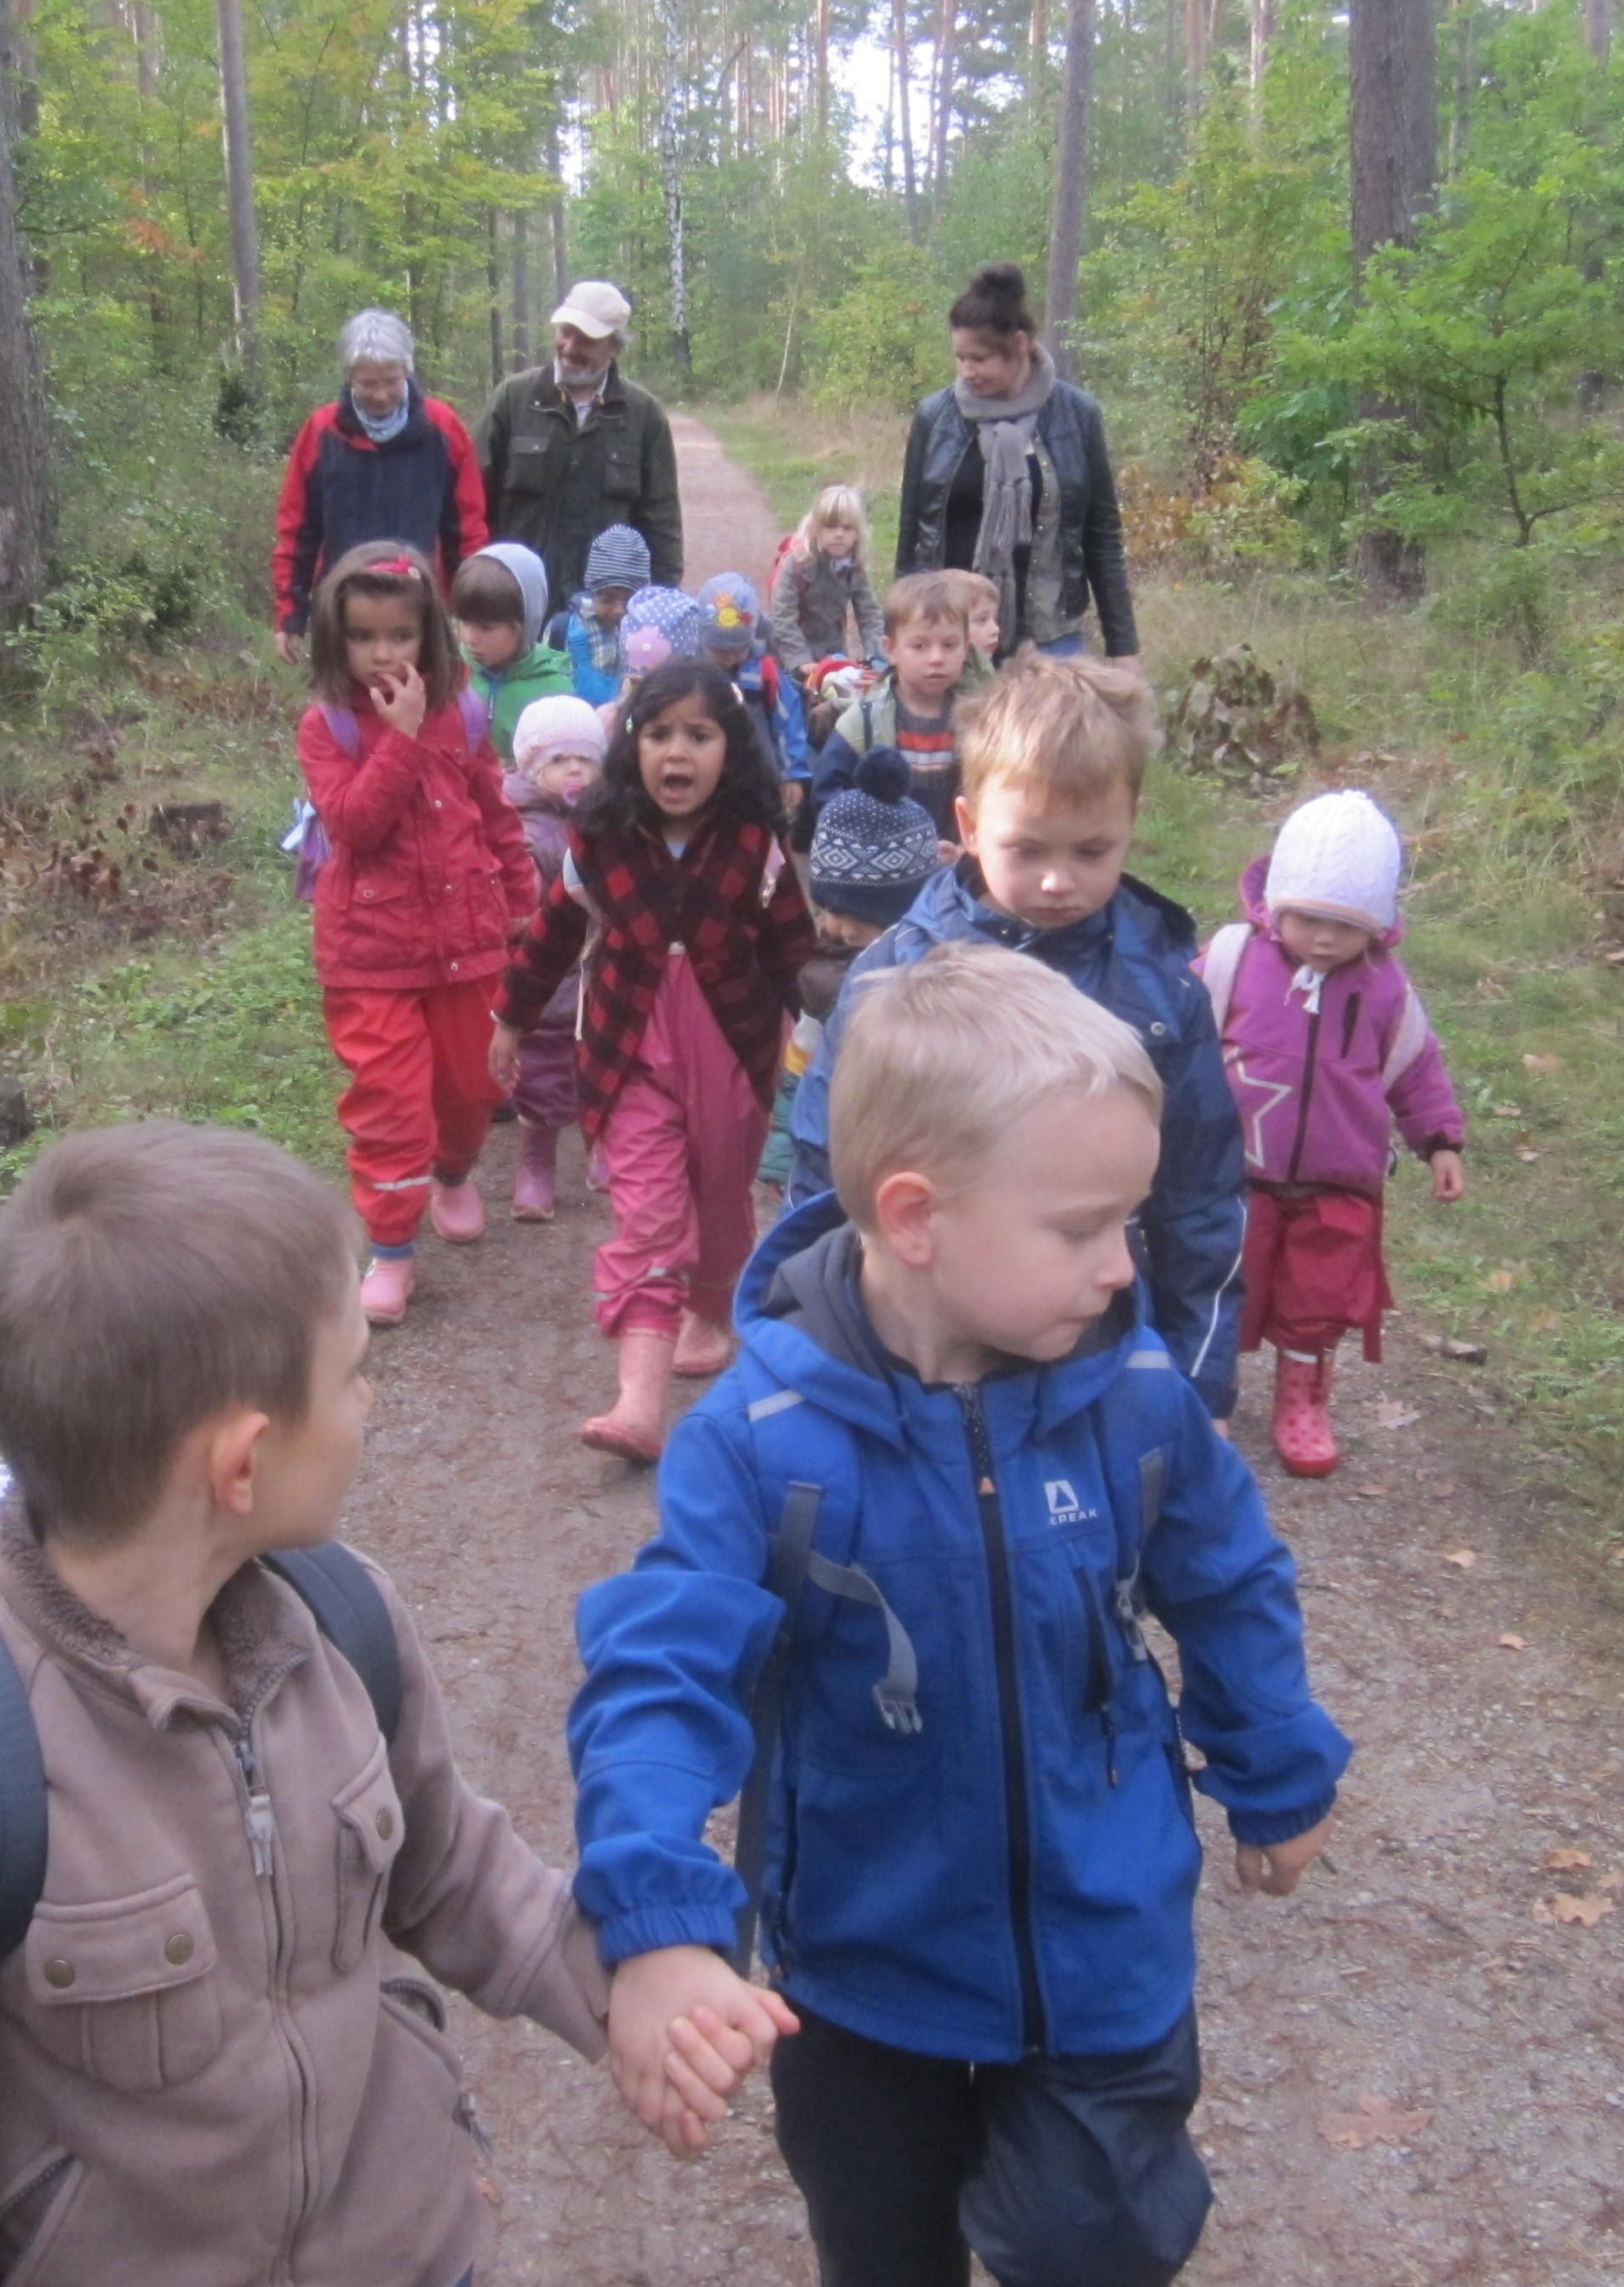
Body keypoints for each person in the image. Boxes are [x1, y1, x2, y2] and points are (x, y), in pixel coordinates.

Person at [0, 1121, 783, 2287]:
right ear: (241, 1465)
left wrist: (631, 1980)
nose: (368, 1403)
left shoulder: (341, 1627)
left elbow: (450, 1870)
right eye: (351, 1377)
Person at [569, 945, 1353, 2287]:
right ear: (916, 1217)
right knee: (881, 2251)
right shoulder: (762, 1443)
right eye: (1082, 1228)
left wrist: (1276, 1764)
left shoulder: (1134, 1400)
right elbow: (660, 1679)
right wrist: (655, 1914)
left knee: (1095, 2239)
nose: (1121, 1269)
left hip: (1106, 1939)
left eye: (1131, 1223)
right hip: (864, 1969)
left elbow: (1228, 1576)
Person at [786, 659, 1248, 1422]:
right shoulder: (897, 975)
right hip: (926, 1339)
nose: (1058, 881)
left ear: (1131, 822)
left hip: (1098, 1343)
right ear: (968, 826)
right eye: (1028, 850)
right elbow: (828, 1158)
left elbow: (1201, 1198)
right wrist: (820, 1344)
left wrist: (1199, 1384)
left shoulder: (1164, 996)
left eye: (1091, 851)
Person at [491, 659, 813, 1462]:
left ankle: (712, 1304)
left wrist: (823, 1030)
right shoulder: (599, 841)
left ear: (729, 749)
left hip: (733, 1048)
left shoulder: (754, 843)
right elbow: (551, 936)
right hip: (627, 1048)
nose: (678, 752)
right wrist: (510, 1019)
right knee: (647, 1213)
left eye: (699, 736)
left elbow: (792, 947)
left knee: (721, 1200)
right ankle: (639, 1400)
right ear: (631, 747)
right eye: (660, 733)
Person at [296, 543, 537, 1325]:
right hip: (370, 955)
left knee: (473, 1089)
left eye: (399, 635)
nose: (382, 654)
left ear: (427, 633)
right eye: (363, 637)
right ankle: (391, 1250)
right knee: (391, 1108)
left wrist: (521, 894)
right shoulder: (328, 726)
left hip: (466, 943)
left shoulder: (461, 711)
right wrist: (397, 739)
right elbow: (353, 825)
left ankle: (454, 1171)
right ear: (336, 641)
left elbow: (494, 810)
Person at [1205, 790, 1468, 1478]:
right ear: (1276, 905)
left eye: (1346, 926)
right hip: (1236, 1175)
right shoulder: (1233, 962)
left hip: (1338, 1181)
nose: (1324, 938)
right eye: (1310, 919)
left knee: (1318, 1297)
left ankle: (1302, 1401)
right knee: (1222, 1285)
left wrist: (1440, 1141)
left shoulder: (1384, 989)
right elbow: (1173, 1036)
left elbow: (1416, 1069)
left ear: (1378, 925)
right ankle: (1206, 1397)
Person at [894, 263, 1135, 669]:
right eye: (960, 358)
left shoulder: (1078, 415)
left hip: (1052, 636)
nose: (967, 371)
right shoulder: (935, 418)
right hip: (949, 638)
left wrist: (1123, 648)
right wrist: (902, 637)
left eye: (979, 358)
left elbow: (1102, 538)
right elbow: (912, 537)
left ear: (1020, 345)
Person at [760, 750, 946, 1198]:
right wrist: (782, 1154)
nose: (835, 927)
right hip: (838, 1161)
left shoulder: (939, 979)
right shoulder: (824, 980)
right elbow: (799, 1072)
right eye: (827, 909)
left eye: (854, 916)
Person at [271, 308, 487, 661]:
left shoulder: (443, 429)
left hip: (420, 608)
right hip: (341, 609)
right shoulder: (321, 432)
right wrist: (290, 614)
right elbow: (297, 532)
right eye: (368, 384)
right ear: (349, 377)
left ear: (407, 371)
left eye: (391, 381)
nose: (382, 394)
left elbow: (466, 532)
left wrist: (470, 609)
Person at [479, 280, 686, 605]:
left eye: (586, 339)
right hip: (517, 602)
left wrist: (661, 602)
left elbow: (662, 523)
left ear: (614, 346)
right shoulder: (512, 399)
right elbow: (474, 504)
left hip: (609, 610)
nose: (570, 347)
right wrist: (476, 588)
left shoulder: (644, 415)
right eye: (565, 332)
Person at [502, 694, 607, 1222]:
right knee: (541, 1069)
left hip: (600, 964)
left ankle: (600, 1145)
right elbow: (516, 897)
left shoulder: (607, 818)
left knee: (603, 1061)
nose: (575, 770)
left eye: (585, 759)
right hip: (548, 965)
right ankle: (536, 1164)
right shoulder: (521, 829)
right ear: (532, 766)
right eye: (560, 760)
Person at [806, 570, 981, 844]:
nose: (937, 658)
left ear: (965, 648)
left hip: (953, 857)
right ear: (891, 650)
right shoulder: (864, 721)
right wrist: (872, 837)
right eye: (920, 646)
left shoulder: (977, 723)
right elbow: (826, 791)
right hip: (881, 857)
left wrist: (967, 846)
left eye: (949, 645)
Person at [694, 573, 811, 797]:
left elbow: (787, 721)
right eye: (719, 650)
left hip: (758, 783)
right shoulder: (690, 673)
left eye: (739, 650)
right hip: (704, 782)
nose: (729, 658)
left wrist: (791, 774)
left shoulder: (764, 673)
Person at [454, 541, 571, 761]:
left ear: (525, 624)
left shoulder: (554, 692)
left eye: (486, 627)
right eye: (463, 622)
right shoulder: (451, 672)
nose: (469, 638)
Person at [766, 484, 887, 680]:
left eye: (847, 528)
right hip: (791, 651)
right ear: (816, 529)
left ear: (857, 534)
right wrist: (800, 660)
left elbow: (870, 615)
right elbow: (782, 616)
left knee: (839, 694)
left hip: (833, 650)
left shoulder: (854, 567)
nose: (839, 534)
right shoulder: (797, 564)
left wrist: (877, 656)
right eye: (830, 527)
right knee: (795, 694)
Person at [556, 523, 656, 704]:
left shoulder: (652, 633)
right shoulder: (566, 629)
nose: (619, 610)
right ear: (592, 592)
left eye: (629, 600)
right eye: (607, 599)